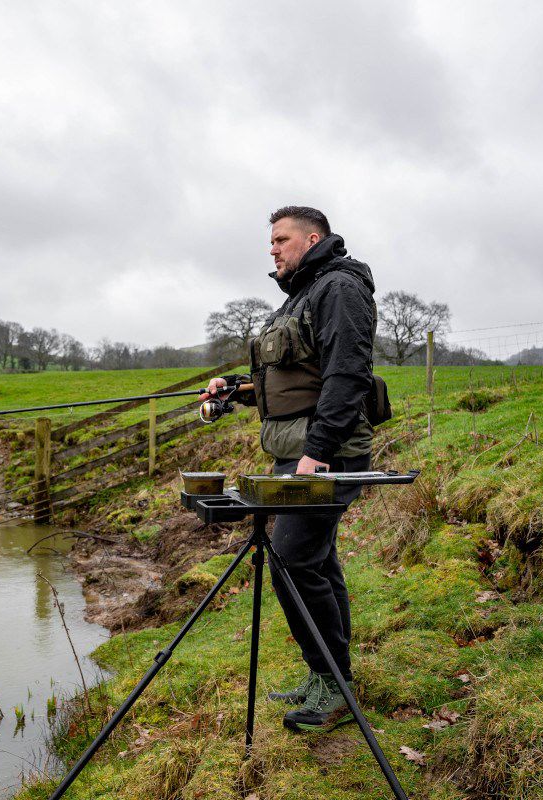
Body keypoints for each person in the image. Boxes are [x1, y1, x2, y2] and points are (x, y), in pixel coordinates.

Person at [203, 205, 376, 733]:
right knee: (316, 562)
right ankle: (332, 676)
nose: (272, 249)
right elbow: (292, 381)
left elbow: (347, 377)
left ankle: (333, 682)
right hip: (297, 451)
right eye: (271, 242)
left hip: (326, 454)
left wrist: (316, 454)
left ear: (312, 238)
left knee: (292, 561)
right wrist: (233, 390)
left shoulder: (339, 290)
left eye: (281, 240)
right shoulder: (302, 295)